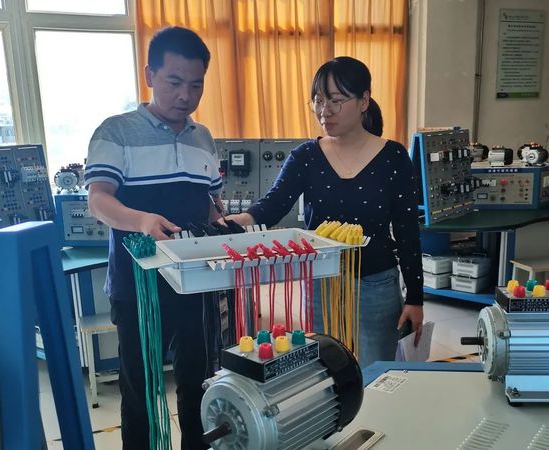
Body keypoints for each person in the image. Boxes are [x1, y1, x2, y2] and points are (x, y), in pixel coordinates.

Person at [226, 56, 424, 368]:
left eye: (335, 100)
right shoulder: (306, 156)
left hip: (376, 285)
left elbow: (407, 231)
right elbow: (274, 204)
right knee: (325, 369)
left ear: (363, 101)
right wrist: (238, 221)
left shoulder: (393, 157)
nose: (324, 111)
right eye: (318, 101)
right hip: (320, 283)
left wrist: (415, 298)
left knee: (376, 371)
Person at [85, 27, 222, 450]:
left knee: (199, 383)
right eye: (174, 82)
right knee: (141, 391)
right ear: (149, 75)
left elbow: (210, 202)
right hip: (139, 288)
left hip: (196, 284)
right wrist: (142, 220)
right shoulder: (117, 132)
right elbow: (98, 199)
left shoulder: (203, 138)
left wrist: (222, 224)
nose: (185, 95)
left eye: (196, 85)